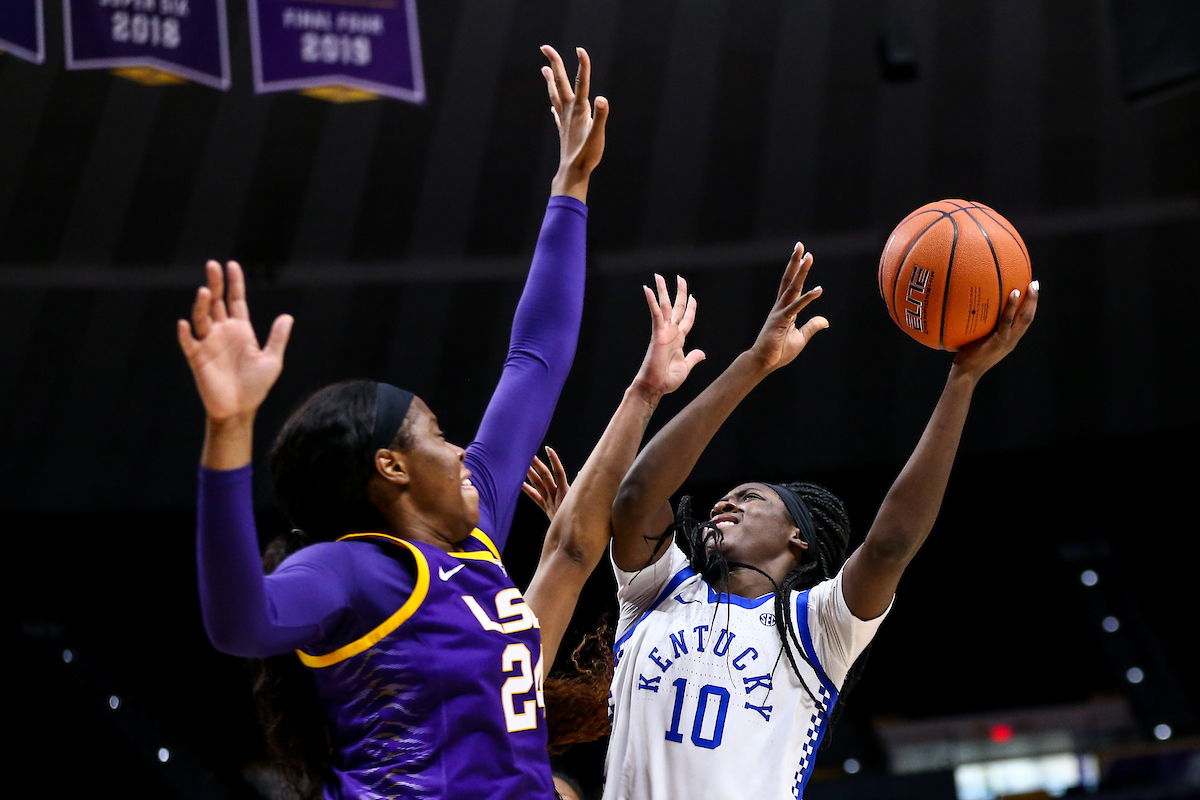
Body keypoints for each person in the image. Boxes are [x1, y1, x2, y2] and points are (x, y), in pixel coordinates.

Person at [178, 45, 607, 800]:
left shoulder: (474, 535)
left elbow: (536, 361)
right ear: (392, 465)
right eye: (436, 433)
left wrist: (570, 186)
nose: (461, 450)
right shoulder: (350, 572)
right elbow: (240, 625)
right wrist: (229, 426)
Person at [533, 244, 1039, 799]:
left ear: (798, 536)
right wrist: (755, 362)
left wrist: (962, 379)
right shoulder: (658, 589)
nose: (724, 504)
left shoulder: (818, 627)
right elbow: (636, 497)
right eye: (726, 498)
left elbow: (890, 544)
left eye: (750, 498)